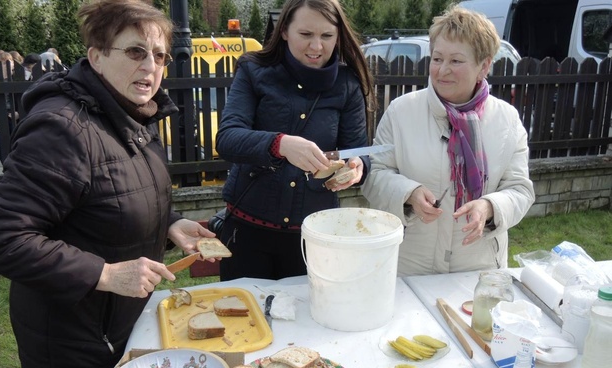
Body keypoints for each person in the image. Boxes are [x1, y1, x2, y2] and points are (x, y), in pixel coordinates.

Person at [0, 1, 216, 368]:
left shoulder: (134, 112)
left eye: (160, 56)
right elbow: (4, 235)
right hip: (72, 340)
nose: (150, 66)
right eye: (135, 51)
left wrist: (171, 225)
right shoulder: (63, 129)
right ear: (96, 57)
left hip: (118, 326)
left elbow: (112, 199)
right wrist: (105, 273)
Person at [362, 5, 535, 276]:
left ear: (484, 66)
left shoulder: (507, 120)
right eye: (437, 59)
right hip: (409, 266)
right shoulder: (401, 111)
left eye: (456, 61)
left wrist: (490, 207)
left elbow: (520, 190)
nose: (443, 70)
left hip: (478, 268)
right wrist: (409, 194)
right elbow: (374, 176)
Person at [215, 0, 376, 281]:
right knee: (246, 320)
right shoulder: (253, 70)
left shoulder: (348, 83)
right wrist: (281, 144)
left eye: (327, 36)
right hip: (247, 232)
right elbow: (227, 138)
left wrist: (357, 167)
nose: (316, 47)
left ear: (339, 36)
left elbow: (357, 151)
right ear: (285, 31)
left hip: (314, 235)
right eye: (306, 35)